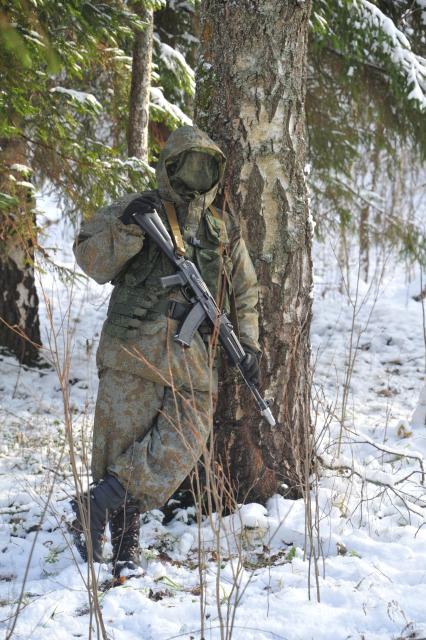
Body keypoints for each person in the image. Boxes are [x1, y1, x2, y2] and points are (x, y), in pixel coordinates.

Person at [71, 125, 261, 576]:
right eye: (186, 166)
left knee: (186, 437)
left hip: (192, 356)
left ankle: (95, 504)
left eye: (204, 167)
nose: (195, 176)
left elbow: (247, 291)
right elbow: (89, 259)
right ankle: (122, 547)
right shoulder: (137, 208)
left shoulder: (220, 228)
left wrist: (248, 344)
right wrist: (126, 228)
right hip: (133, 346)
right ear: (170, 167)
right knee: (122, 442)